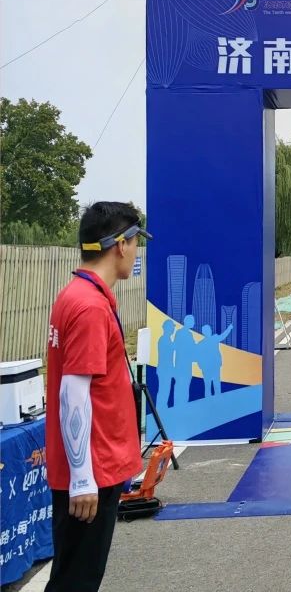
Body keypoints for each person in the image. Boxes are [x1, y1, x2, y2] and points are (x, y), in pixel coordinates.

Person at [44, 201, 151, 591]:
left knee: (75, 575)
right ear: (121, 245)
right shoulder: (89, 306)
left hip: (94, 463)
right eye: (136, 243)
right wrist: (82, 479)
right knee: (76, 581)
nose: (136, 252)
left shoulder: (78, 295)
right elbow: (73, 393)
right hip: (93, 466)